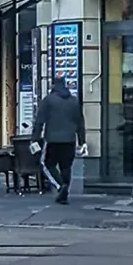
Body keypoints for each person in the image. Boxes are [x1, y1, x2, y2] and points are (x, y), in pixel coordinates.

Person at [31, 77, 86, 205]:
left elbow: (40, 121)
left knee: (47, 164)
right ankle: (64, 194)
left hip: (53, 139)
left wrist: (35, 139)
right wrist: (82, 141)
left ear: (53, 85)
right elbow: (80, 123)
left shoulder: (48, 100)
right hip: (70, 140)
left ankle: (61, 186)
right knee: (66, 167)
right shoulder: (74, 101)